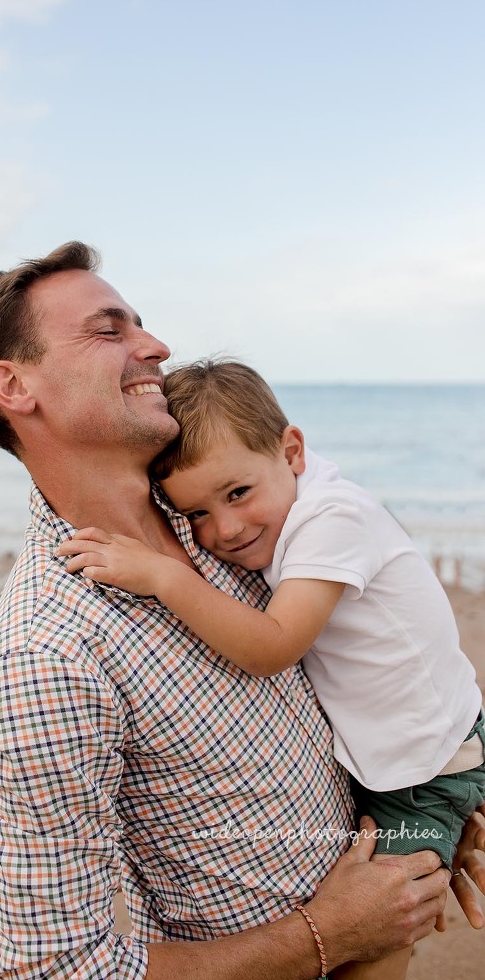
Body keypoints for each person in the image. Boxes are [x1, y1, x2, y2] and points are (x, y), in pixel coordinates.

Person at [0, 242, 485, 980]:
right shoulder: (49, 654)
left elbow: (377, 651)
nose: (156, 346)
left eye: (141, 324)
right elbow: (59, 968)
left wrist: (436, 801)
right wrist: (327, 932)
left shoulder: (227, 526)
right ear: (14, 385)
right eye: (109, 331)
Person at [58, 359, 485, 979]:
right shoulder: (281, 516)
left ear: (292, 451)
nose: (226, 528)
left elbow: (273, 645)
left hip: (424, 769)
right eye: (195, 514)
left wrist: (163, 575)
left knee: (383, 932)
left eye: (237, 493)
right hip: (393, 757)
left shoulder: (333, 519)